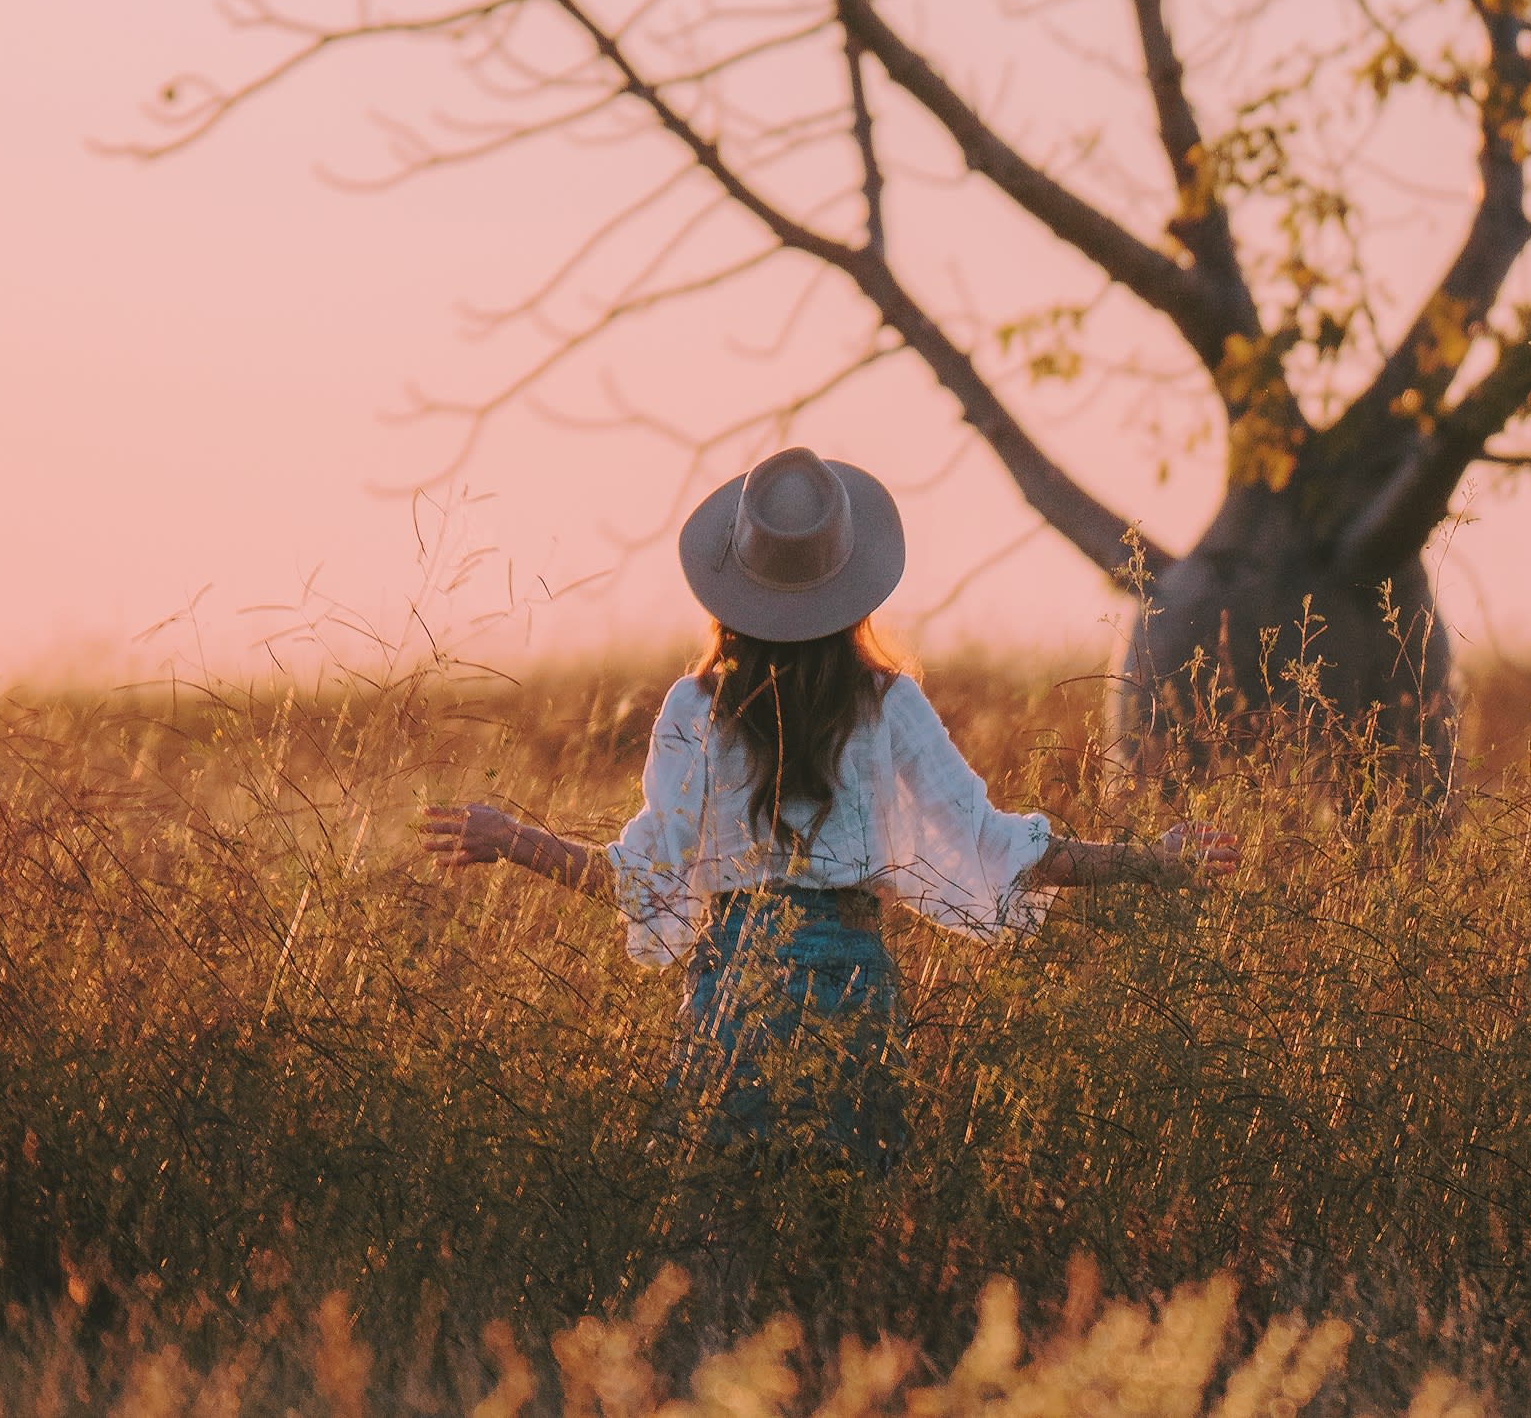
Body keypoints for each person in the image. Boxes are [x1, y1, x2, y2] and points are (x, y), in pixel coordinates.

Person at [421, 446, 1233, 1169]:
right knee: (840, 1239)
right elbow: (999, 848)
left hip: (733, 991)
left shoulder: (694, 707)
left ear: (733, 584)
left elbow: (643, 881)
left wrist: (511, 839)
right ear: (852, 585)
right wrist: (1156, 862)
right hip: (854, 988)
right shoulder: (889, 703)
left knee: (722, 1237)